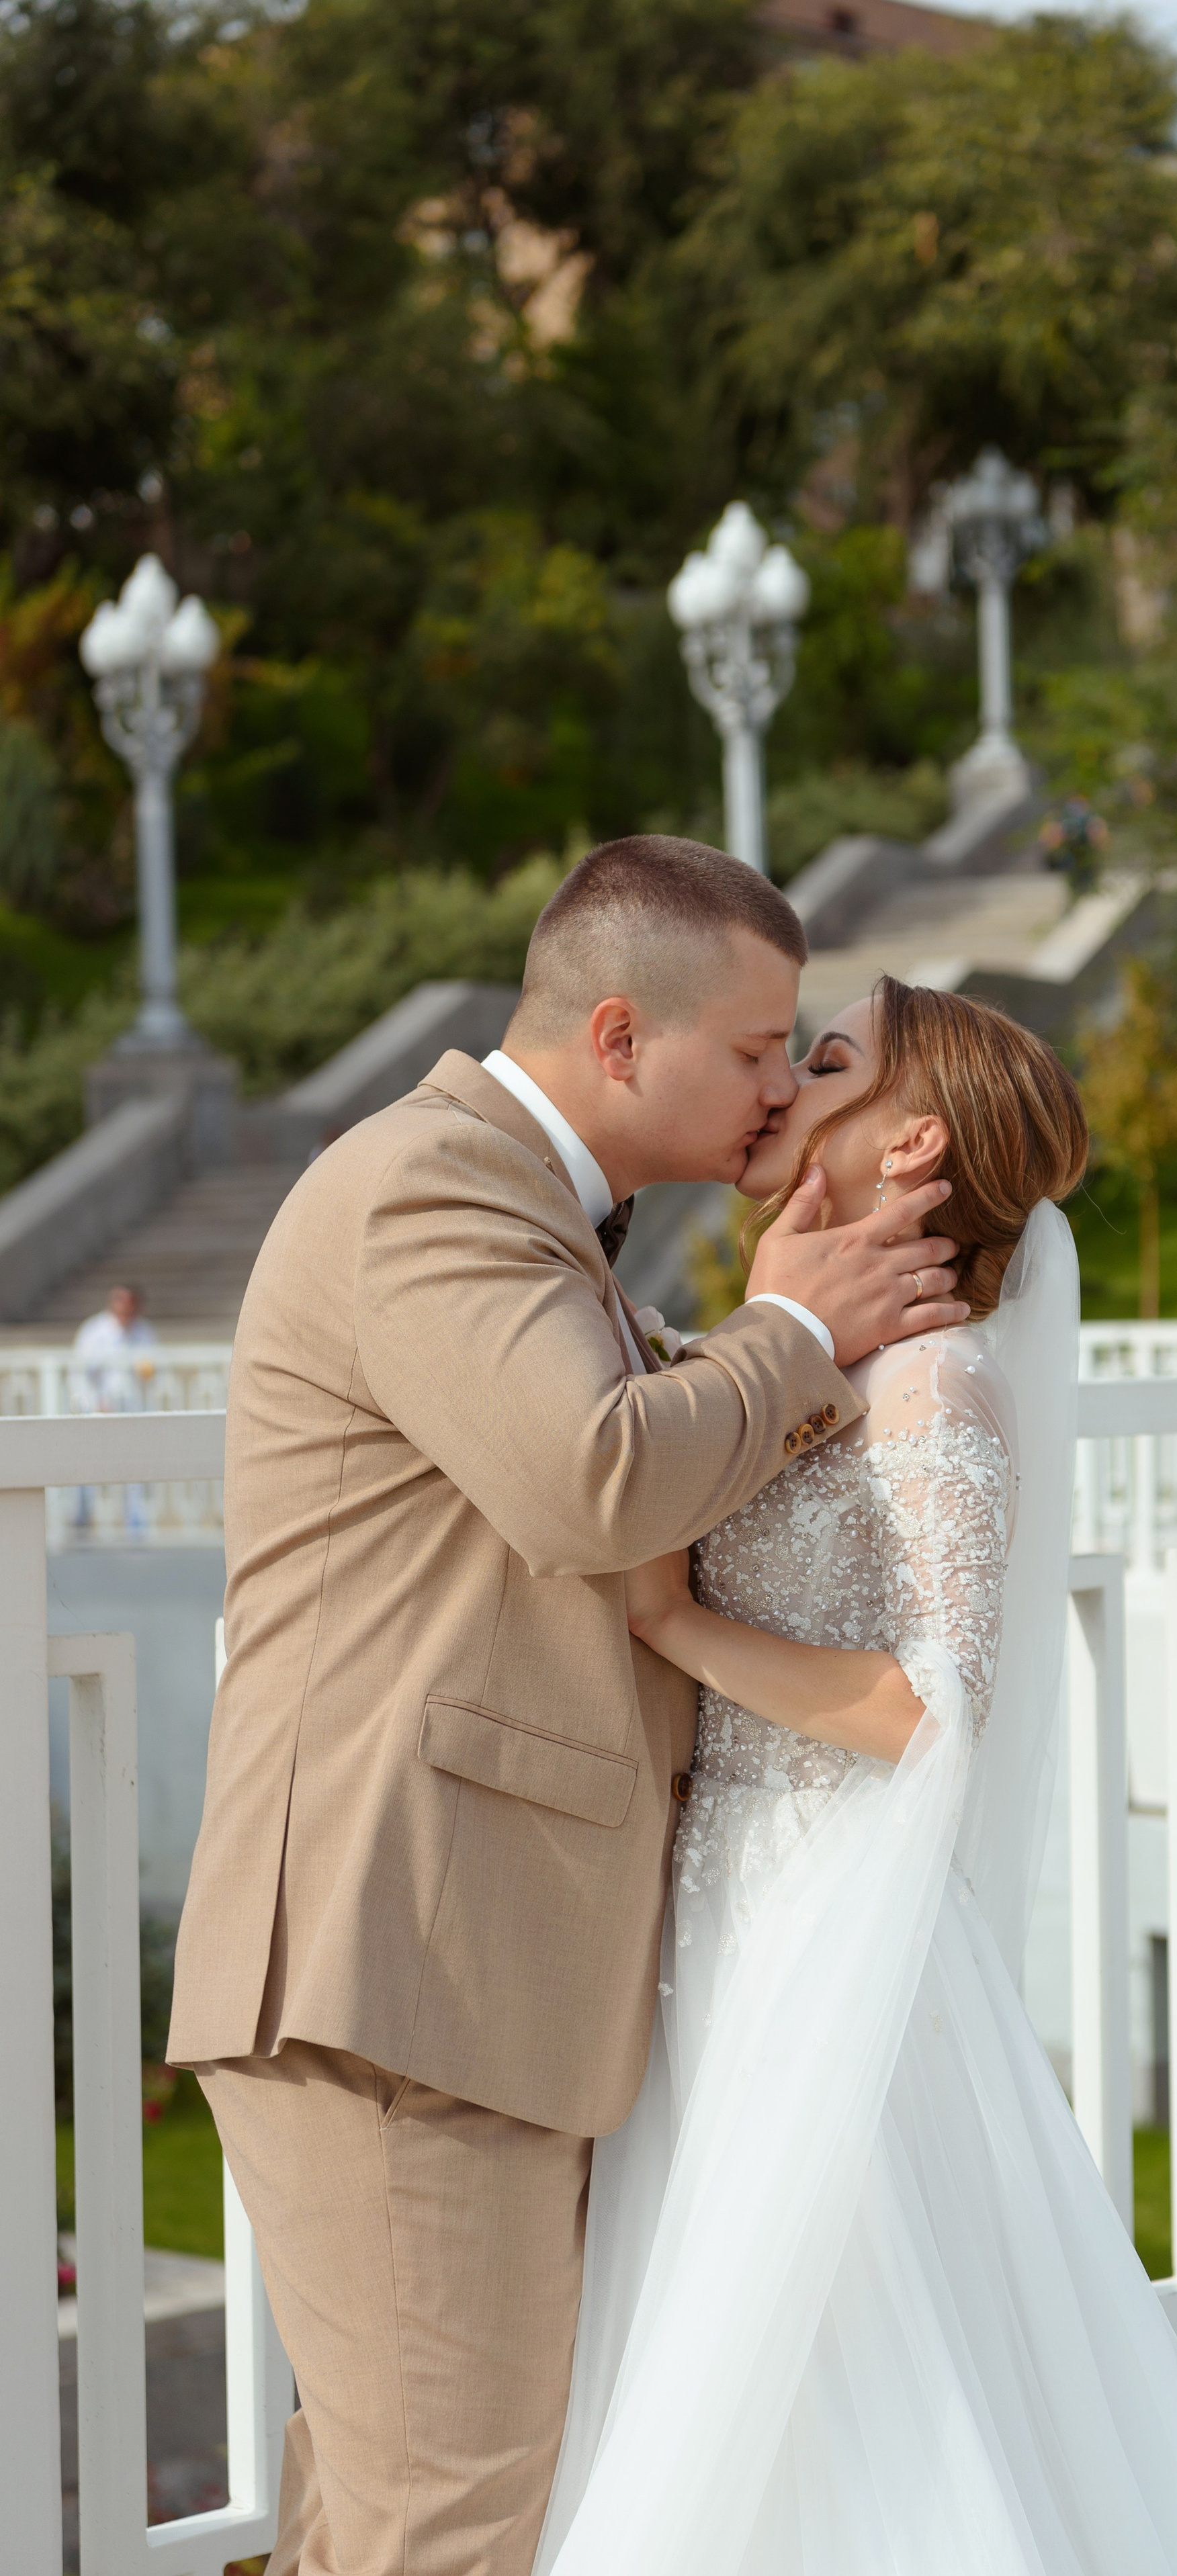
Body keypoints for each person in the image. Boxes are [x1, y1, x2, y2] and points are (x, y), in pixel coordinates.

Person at [167, 840, 971, 2576]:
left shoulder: (540, 1224)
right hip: (396, 1964)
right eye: (759, 1048)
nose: (778, 1084)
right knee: (459, 2528)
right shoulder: (429, 1189)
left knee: (403, 2517)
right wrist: (792, 1334)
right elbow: (596, 1479)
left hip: (472, 1969)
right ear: (621, 1034)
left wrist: (802, 1343)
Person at [536, 977, 1177, 2576]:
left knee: (859, 2361)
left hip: (830, 1916)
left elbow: (933, 1710)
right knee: (756, 2368)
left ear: (913, 1134)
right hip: (721, 1914)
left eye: (820, 1057)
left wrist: (674, 1623)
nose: (778, 1078)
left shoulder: (935, 1384)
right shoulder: (805, 1351)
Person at [71, 1281, 158, 1535]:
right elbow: (80, 1374)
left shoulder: (145, 1333)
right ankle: (82, 1518)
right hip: (99, 1411)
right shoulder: (94, 1332)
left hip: (133, 1413)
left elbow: (153, 1372)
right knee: (88, 1465)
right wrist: (94, 1403)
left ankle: (135, 1522)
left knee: (135, 1466)